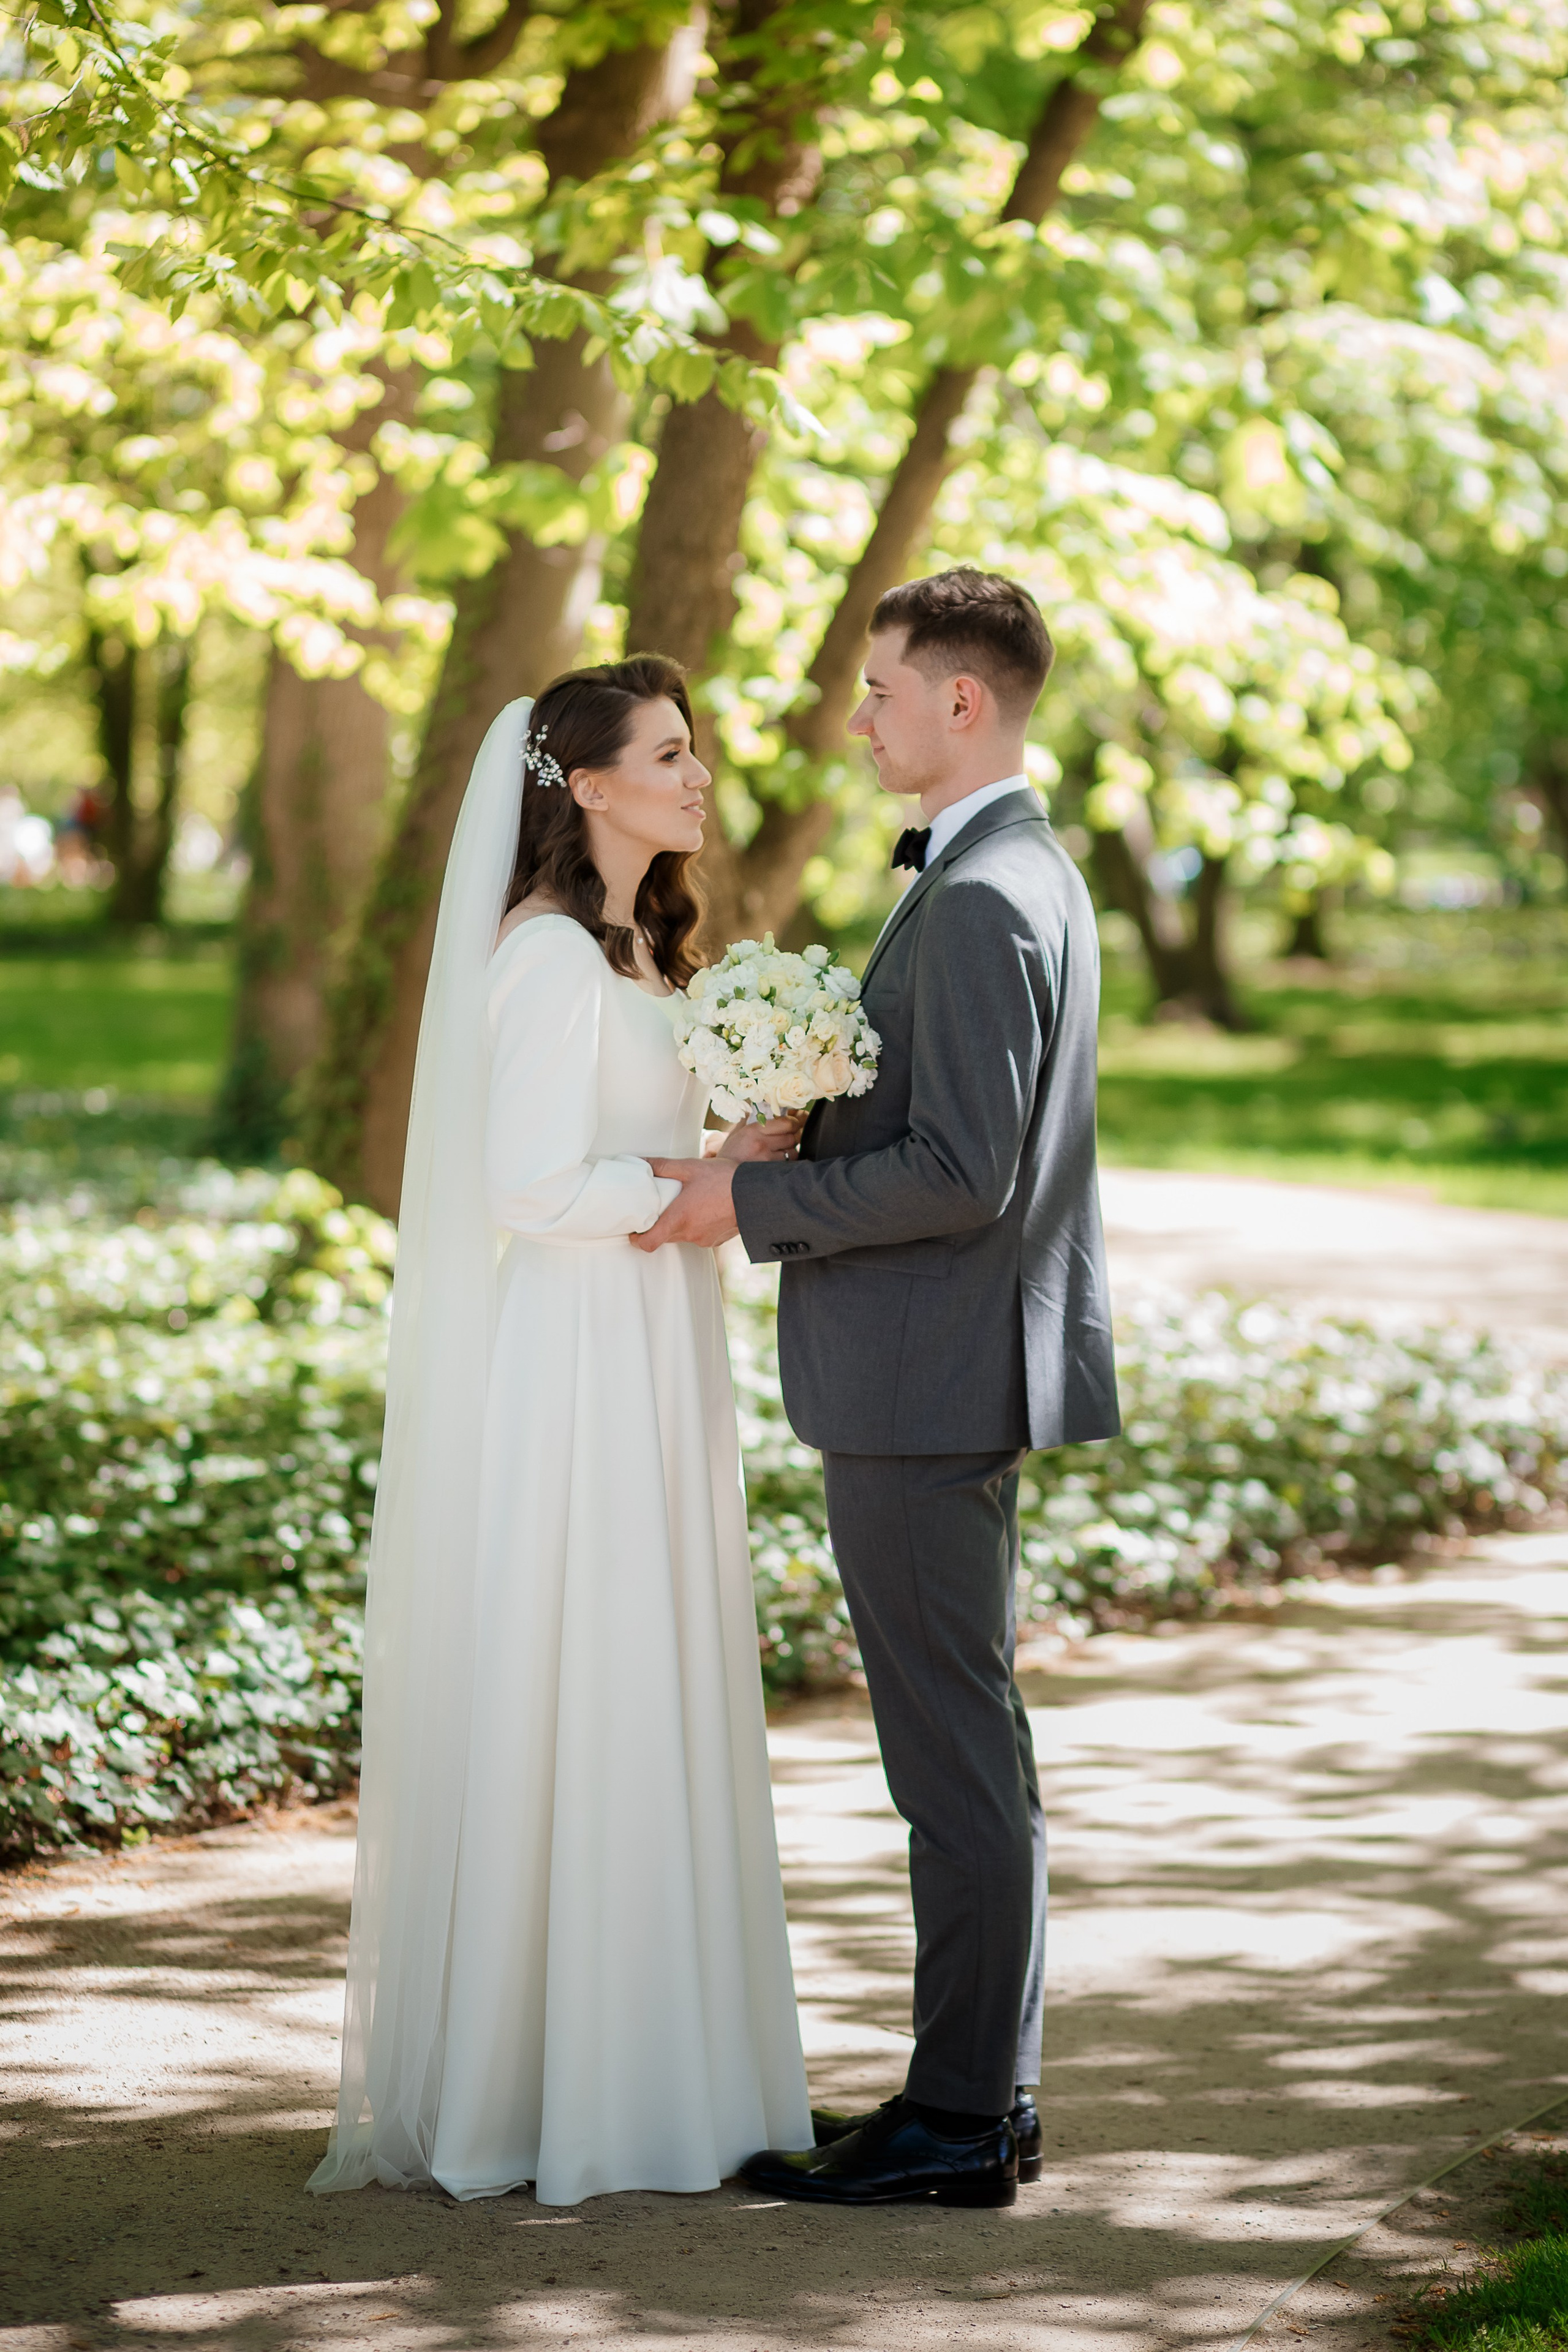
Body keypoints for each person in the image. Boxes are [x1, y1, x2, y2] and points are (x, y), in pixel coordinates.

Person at [634, 568, 1121, 2208]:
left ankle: (965, 2120)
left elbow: (963, 1172)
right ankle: (980, 2093)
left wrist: (748, 1202)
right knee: (967, 1744)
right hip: (942, 1369)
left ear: (961, 702)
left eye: (879, 690)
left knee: (951, 1759)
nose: (860, 717)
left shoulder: (986, 896)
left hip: (923, 1378)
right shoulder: (1007, 873)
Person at [309, 655, 812, 2209]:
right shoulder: (537, 959)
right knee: (587, 1670)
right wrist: (691, 1198)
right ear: (582, 785)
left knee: (654, 1669)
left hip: (653, 1339)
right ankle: (561, 2088)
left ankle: (671, 2069)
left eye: (693, 747)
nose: (695, 773)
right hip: (582, 1351)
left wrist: (741, 1146)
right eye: (667, 751)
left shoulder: (642, 959)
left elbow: (630, 1142)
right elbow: (524, 1186)